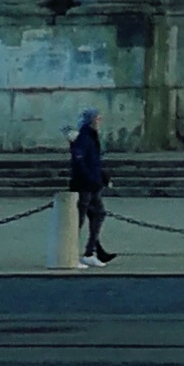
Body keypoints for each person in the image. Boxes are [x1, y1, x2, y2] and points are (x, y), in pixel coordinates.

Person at [68, 105, 113, 266]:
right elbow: (79, 163)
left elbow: (94, 162)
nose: (99, 121)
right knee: (77, 221)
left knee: (98, 214)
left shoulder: (91, 137)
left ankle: (90, 252)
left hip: (93, 185)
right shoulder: (84, 138)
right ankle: (71, 254)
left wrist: (101, 176)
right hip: (84, 186)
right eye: (97, 118)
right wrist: (91, 179)